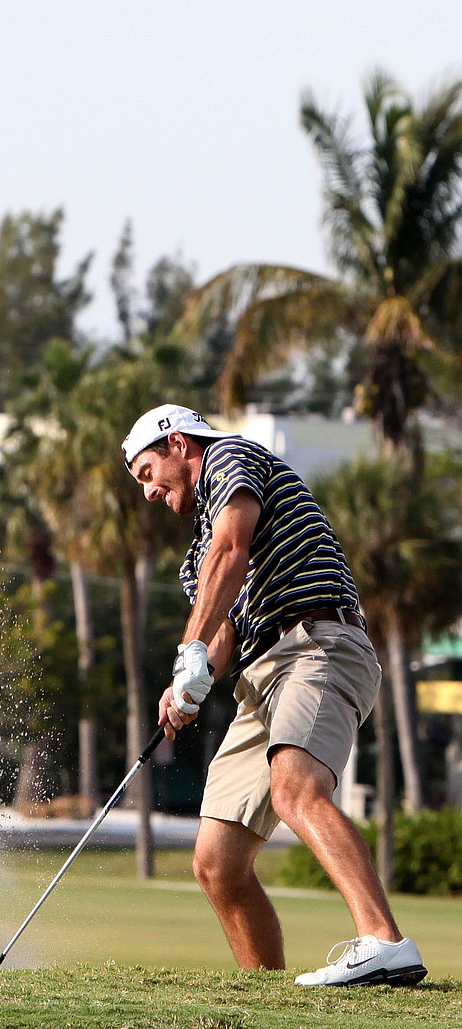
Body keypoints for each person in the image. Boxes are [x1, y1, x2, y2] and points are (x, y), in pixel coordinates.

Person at [122, 403, 427, 987]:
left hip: (318, 643)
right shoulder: (197, 554)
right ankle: (269, 998)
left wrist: (188, 653)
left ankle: (386, 943)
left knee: (296, 789)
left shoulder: (230, 457)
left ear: (178, 444)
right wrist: (185, 686)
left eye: (147, 473)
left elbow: (233, 549)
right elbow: (223, 631)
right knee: (217, 863)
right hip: (260, 679)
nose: (148, 492)